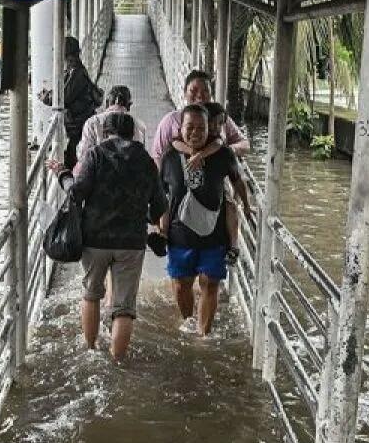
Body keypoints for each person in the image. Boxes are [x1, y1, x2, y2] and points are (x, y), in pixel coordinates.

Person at [48, 112, 167, 358]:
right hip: (131, 243)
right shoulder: (145, 160)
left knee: (91, 294)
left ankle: (91, 350)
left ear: (104, 132)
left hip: (95, 239)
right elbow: (159, 206)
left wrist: (63, 174)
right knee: (124, 307)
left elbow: (76, 193)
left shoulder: (96, 154)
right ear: (133, 134)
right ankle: (117, 359)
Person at [159, 104, 243, 336]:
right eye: (190, 127)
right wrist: (160, 228)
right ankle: (188, 322)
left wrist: (245, 205)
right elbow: (161, 194)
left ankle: (202, 335)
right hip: (180, 235)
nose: (195, 132)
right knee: (181, 284)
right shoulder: (170, 156)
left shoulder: (223, 154)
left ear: (209, 129)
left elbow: (237, 180)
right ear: (180, 128)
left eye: (201, 128)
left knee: (210, 282)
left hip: (214, 235)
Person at [167, 102, 252, 265]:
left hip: (211, 215)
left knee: (230, 205)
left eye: (221, 124)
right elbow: (175, 142)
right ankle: (164, 233)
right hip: (183, 232)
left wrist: (199, 155)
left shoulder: (219, 146)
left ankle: (234, 245)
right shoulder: (177, 147)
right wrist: (192, 152)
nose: (217, 128)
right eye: (214, 123)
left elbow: (219, 145)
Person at [150, 69, 250, 166]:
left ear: (211, 94)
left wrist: (225, 151)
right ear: (185, 93)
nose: (200, 95)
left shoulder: (220, 119)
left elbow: (245, 144)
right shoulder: (170, 121)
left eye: (205, 91)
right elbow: (157, 155)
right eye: (193, 90)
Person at [39, 36, 102, 169]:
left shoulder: (77, 73)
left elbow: (64, 97)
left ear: (66, 54)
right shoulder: (74, 71)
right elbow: (63, 90)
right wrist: (49, 94)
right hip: (77, 123)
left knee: (74, 159)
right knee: (73, 157)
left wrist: (47, 98)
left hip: (79, 124)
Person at [72, 85, 147, 175]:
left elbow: (83, 156)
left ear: (107, 103)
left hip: (98, 177)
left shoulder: (92, 122)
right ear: (129, 105)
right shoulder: (140, 125)